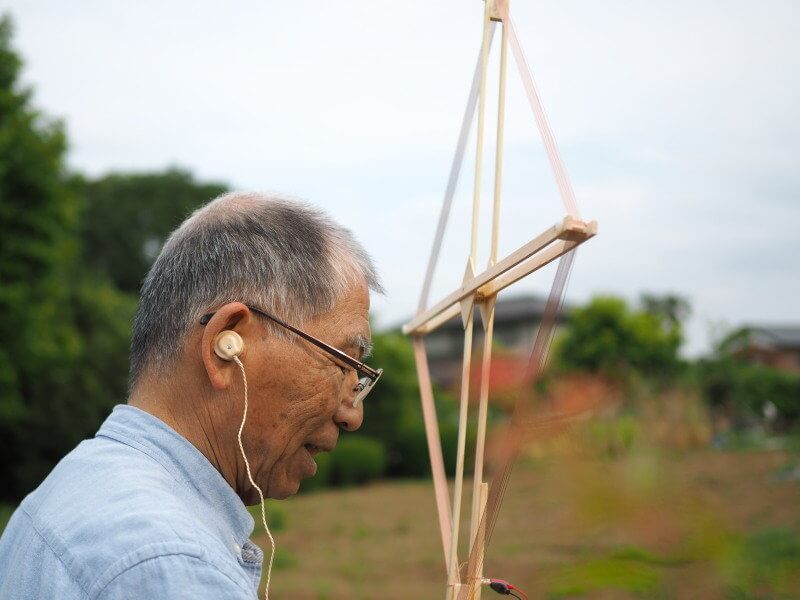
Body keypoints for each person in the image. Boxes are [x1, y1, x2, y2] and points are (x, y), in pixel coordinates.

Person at [0, 192, 384, 599]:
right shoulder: (173, 565)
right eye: (344, 363)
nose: (352, 414)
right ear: (226, 344)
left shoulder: (67, 491)